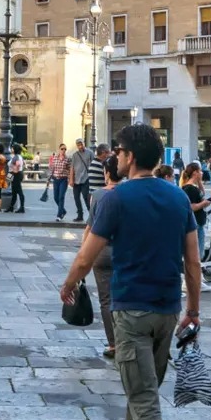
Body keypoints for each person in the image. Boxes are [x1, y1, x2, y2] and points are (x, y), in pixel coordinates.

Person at [60, 123, 200, 420]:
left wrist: (68, 285)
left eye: (118, 151)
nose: (114, 157)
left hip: (131, 314)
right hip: (167, 312)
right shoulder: (177, 198)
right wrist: (192, 308)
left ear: (131, 157)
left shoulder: (115, 198)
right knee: (142, 398)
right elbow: (192, 262)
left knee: (145, 405)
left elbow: (87, 257)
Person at [86, 153, 123, 358]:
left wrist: (83, 255)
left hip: (101, 252)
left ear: (106, 173)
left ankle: (113, 344)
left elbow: (90, 228)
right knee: (125, 296)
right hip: (124, 251)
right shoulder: (129, 193)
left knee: (106, 299)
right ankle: (127, 339)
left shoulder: (98, 195)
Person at [181, 162, 211, 260]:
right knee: (197, 254)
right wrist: (203, 204)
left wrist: (199, 182)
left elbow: (202, 194)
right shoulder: (189, 189)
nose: (202, 173)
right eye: (200, 171)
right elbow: (191, 207)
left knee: (199, 253)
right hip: (196, 223)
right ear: (195, 173)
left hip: (199, 223)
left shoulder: (194, 187)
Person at [69, 139, 93, 223]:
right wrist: (71, 179)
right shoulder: (75, 155)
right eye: (78, 145)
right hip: (76, 180)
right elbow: (72, 168)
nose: (80, 146)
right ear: (77, 146)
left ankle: (91, 216)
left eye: (81, 144)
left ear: (84, 144)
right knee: (76, 198)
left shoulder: (90, 153)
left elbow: (93, 164)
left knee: (86, 197)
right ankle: (80, 215)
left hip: (86, 179)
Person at [48, 144, 70, 220]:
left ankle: (59, 215)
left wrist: (71, 180)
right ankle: (63, 211)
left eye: (65, 149)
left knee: (61, 197)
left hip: (63, 180)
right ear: (59, 149)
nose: (63, 150)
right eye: (62, 149)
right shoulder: (55, 158)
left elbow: (70, 170)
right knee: (55, 198)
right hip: (55, 180)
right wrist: (48, 179)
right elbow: (51, 169)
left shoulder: (67, 159)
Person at [7, 144, 26, 213]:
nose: (11, 149)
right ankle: (11, 207)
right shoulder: (19, 156)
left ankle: (22, 208)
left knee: (19, 191)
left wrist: (16, 170)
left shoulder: (16, 157)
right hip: (16, 174)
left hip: (15, 175)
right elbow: (24, 164)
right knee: (14, 192)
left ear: (15, 149)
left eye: (12, 148)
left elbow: (18, 164)